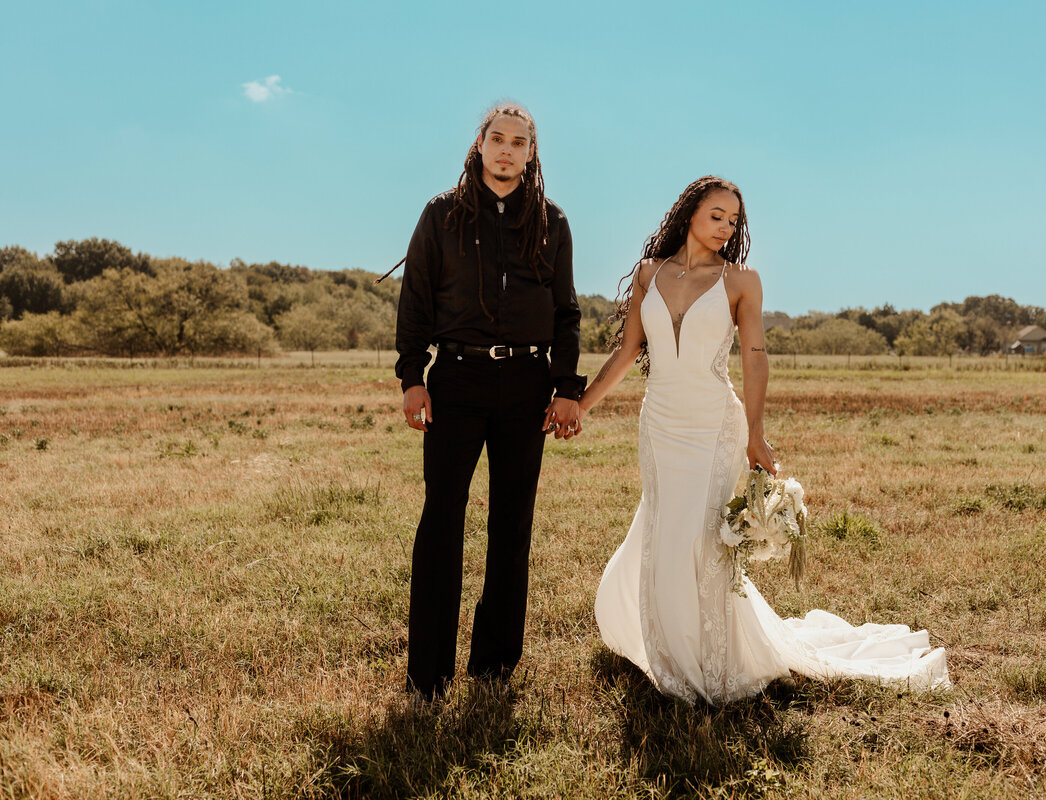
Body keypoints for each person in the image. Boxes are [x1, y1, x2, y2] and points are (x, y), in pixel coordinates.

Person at [575, 176, 948, 704]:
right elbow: (630, 348)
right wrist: (580, 404)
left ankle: (713, 659)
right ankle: (667, 649)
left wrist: (755, 434)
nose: (726, 227)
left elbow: (754, 356)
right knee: (663, 531)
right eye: (717, 215)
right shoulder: (648, 274)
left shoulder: (741, 281)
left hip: (714, 426)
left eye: (734, 220)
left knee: (701, 540)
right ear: (689, 214)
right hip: (659, 422)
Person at [395, 103, 585, 701]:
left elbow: (566, 313)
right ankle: (428, 675)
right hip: (455, 379)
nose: (507, 151)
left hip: (527, 387)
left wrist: (565, 388)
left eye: (519, 143)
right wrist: (412, 377)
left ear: (532, 154)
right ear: (479, 145)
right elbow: (416, 301)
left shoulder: (551, 222)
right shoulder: (441, 216)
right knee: (442, 523)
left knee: (512, 526)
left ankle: (495, 667)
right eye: (497, 139)